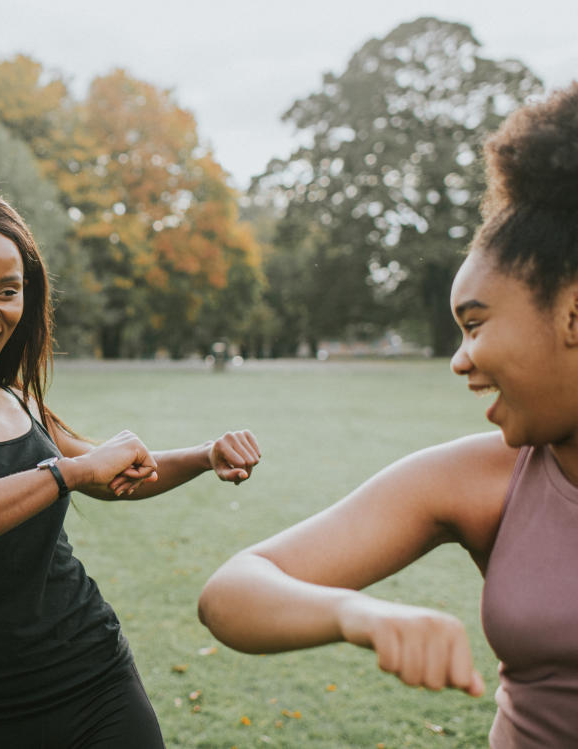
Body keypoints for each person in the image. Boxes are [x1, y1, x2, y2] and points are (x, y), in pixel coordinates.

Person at [197, 83, 578, 747]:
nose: (460, 361)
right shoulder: (484, 479)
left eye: (476, 324)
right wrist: (354, 612)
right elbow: (232, 593)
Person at [0, 185, 261, 748]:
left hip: (96, 678)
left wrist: (205, 456)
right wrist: (62, 475)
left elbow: (114, 474)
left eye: (7, 292)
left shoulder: (16, 396)